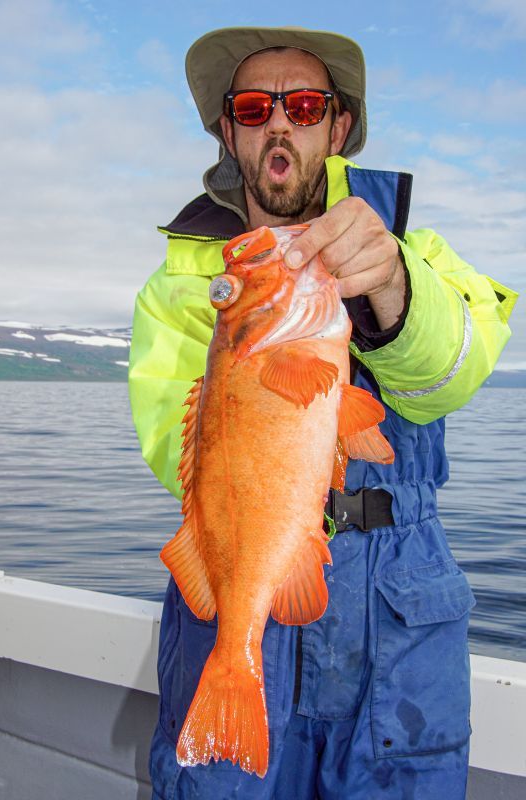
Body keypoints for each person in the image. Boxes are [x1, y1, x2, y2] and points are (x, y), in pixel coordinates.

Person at [128, 26, 517, 800]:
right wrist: (266, 343)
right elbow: (180, 453)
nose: (281, 123)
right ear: (229, 131)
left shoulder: (418, 250)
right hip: (245, 582)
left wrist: (394, 292)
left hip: (396, 617)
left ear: (338, 127)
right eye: (253, 106)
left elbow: (457, 368)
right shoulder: (179, 286)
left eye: (305, 106)